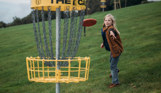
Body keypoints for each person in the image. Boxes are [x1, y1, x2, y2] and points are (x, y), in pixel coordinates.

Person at [100, 14, 123, 88]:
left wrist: (112, 33)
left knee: (112, 65)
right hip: (112, 50)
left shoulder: (111, 29)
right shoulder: (104, 28)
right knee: (111, 62)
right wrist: (103, 43)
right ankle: (115, 71)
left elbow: (111, 31)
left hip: (116, 50)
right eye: (106, 20)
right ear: (104, 21)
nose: (107, 22)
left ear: (112, 22)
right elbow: (106, 38)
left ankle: (115, 82)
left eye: (109, 20)